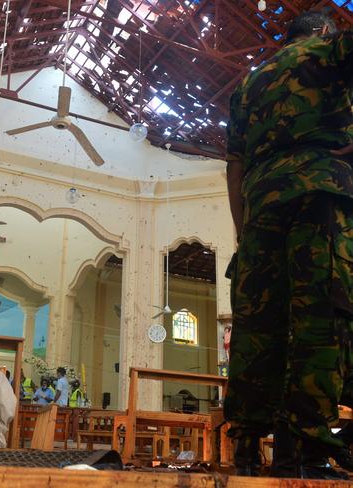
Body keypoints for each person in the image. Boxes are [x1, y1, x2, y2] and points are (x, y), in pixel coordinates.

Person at [224, 11, 353, 479]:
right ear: (323, 31)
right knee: (319, 314)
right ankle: (309, 448)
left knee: (260, 327)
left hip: (260, 209)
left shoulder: (248, 85)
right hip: (318, 195)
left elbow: (233, 168)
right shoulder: (329, 51)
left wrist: (244, 230)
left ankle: (246, 442)